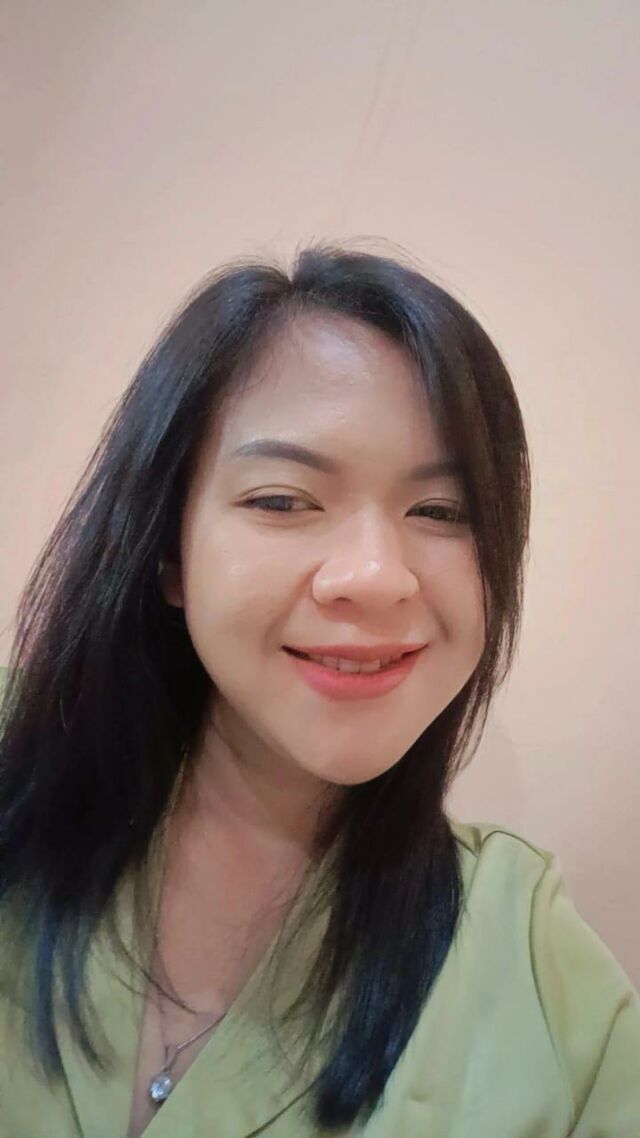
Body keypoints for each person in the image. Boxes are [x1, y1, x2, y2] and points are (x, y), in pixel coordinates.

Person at [0, 244, 638, 1138]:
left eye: (441, 512)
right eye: (283, 500)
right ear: (170, 550)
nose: (375, 578)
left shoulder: (530, 959)